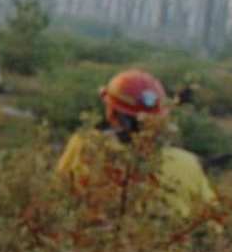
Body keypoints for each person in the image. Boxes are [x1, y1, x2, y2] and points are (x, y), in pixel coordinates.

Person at [55, 69, 215, 219]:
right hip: (170, 245)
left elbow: (59, 191)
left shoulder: (85, 144)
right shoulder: (187, 163)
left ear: (111, 112)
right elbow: (214, 219)